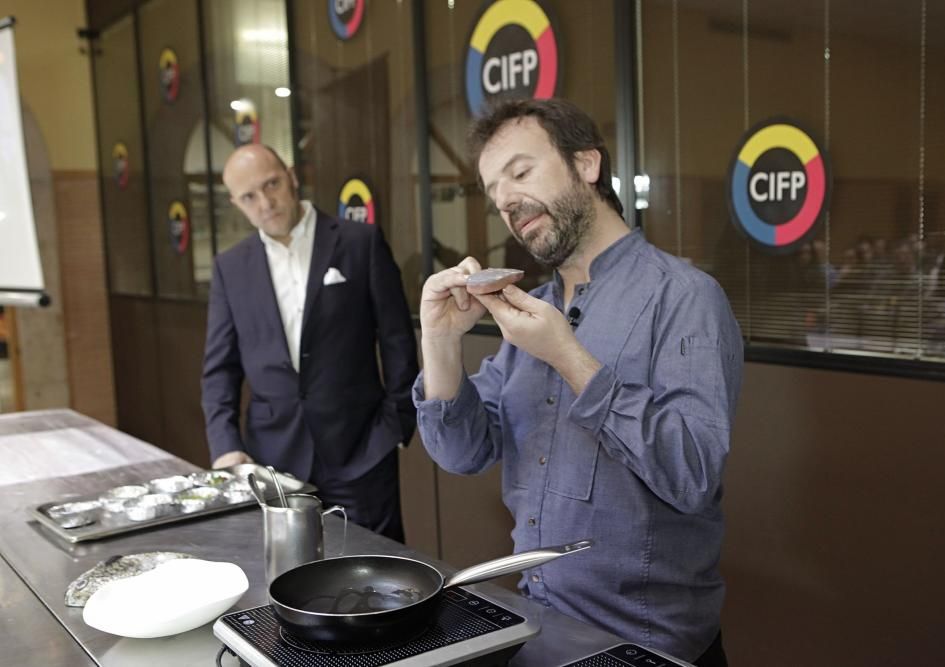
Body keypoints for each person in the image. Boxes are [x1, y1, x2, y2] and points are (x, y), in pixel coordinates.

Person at [413, 99, 743, 666]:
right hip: (537, 629)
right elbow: (462, 451)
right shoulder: (530, 310)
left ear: (586, 165)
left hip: (645, 648)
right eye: (496, 192)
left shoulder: (685, 297)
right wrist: (440, 341)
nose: (509, 202)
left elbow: (692, 474)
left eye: (521, 172)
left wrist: (567, 355)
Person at [202, 144, 418, 541]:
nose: (265, 202)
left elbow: (397, 341)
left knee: (378, 577)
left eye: (272, 184)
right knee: (291, 578)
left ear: (292, 176)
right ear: (236, 203)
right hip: (273, 462)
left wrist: (397, 426)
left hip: (361, 451)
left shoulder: (359, 242)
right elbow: (220, 369)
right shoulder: (230, 267)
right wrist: (226, 447)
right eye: (249, 196)